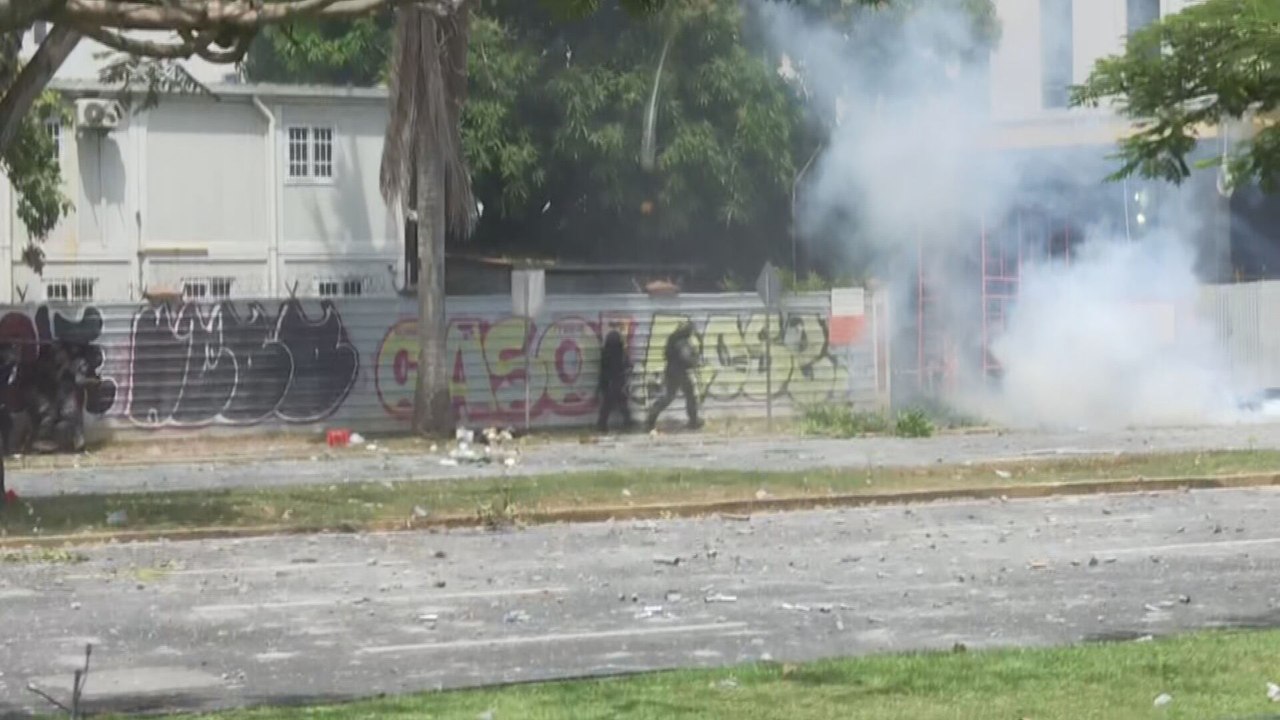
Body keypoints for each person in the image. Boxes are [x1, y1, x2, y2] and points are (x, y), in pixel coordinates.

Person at [645, 321, 703, 431]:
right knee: (689, 396)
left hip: (671, 371)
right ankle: (693, 421)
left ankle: (651, 419)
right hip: (679, 372)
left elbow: (667, 354)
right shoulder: (682, 341)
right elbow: (685, 357)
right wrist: (694, 361)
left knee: (669, 396)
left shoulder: (673, 339)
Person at [596, 330, 634, 432]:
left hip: (610, 382)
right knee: (621, 404)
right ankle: (628, 423)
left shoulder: (606, 353)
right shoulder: (621, 353)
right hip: (617, 382)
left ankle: (602, 425)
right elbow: (627, 365)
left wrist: (602, 384)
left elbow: (604, 370)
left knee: (608, 405)